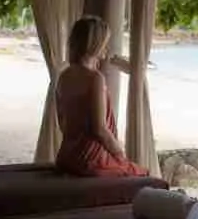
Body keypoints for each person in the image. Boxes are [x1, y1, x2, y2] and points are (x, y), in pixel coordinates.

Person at [55, 15, 147, 177]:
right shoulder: (95, 78)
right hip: (89, 161)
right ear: (95, 44)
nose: (108, 46)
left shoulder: (64, 76)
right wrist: (119, 152)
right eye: (105, 41)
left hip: (66, 157)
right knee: (142, 174)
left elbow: (63, 124)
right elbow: (99, 129)